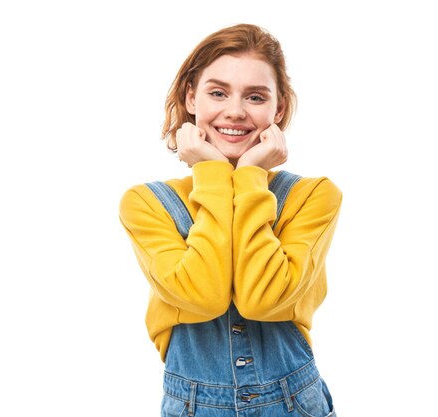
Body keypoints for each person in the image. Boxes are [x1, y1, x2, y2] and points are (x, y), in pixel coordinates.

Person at [119, 23, 342, 417]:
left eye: (255, 96)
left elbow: (263, 300)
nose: (235, 111)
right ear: (191, 97)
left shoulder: (313, 197)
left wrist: (251, 176)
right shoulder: (147, 203)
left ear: (279, 109)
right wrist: (214, 174)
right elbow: (202, 295)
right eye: (218, 92)